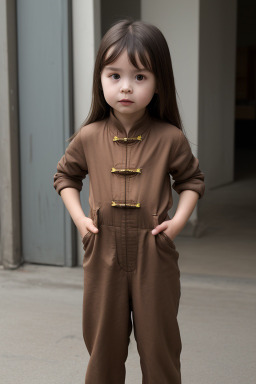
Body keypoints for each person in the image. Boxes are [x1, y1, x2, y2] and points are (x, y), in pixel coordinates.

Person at [53, 19, 205, 384]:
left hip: (154, 251)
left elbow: (191, 180)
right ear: (100, 79)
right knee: (103, 350)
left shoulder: (170, 138)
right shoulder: (88, 136)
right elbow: (65, 177)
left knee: (160, 350)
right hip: (102, 251)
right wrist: (80, 221)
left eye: (140, 77)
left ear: (158, 83)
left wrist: (178, 223)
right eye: (114, 75)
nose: (125, 87)